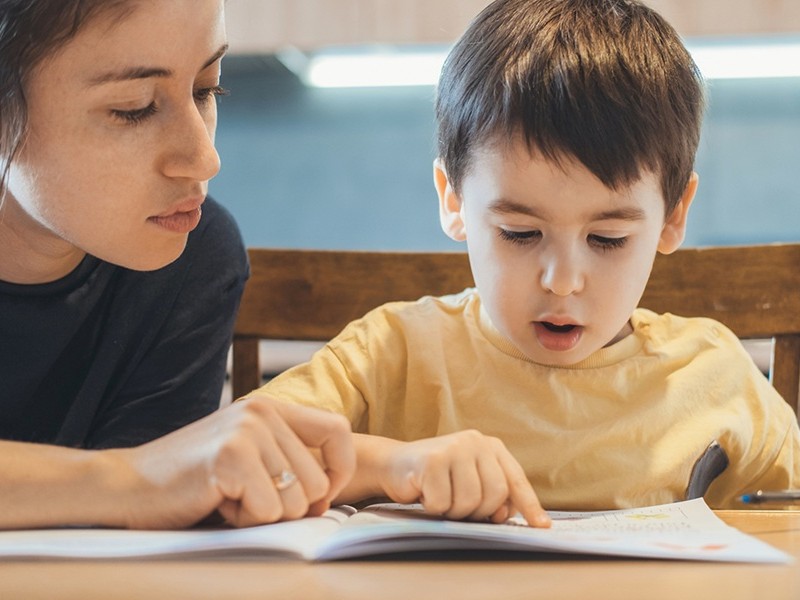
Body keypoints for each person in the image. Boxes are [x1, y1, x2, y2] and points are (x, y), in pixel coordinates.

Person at [248, 0, 800, 524]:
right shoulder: (392, 356)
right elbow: (240, 455)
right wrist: (394, 465)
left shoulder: (714, 380)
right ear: (453, 201)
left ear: (674, 215)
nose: (562, 281)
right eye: (520, 233)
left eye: (607, 238)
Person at [0, 0, 354, 529]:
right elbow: (144, 485)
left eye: (207, 90)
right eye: (135, 108)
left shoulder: (194, 254)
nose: (205, 158)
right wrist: (133, 479)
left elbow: (138, 524)